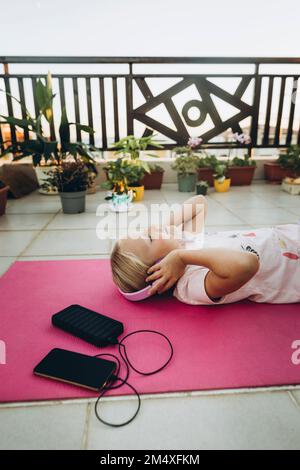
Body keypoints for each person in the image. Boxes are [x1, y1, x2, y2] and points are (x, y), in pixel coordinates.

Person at [110, 195, 300, 305]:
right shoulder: (191, 285)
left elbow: (199, 203)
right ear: (159, 270)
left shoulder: (185, 244)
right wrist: (181, 257)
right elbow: (247, 264)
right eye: (149, 238)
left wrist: (163, 231)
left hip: (289, 235)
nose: (150, 228)